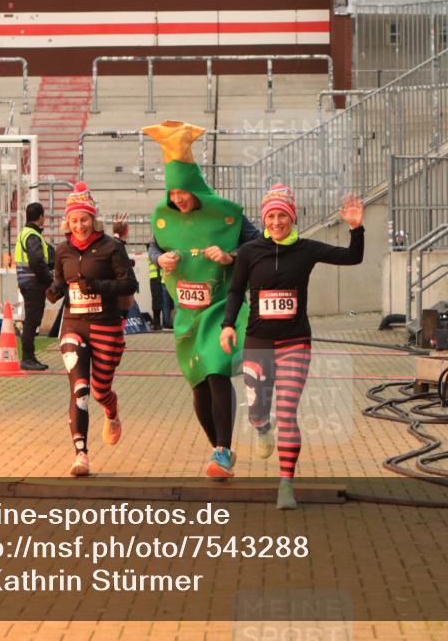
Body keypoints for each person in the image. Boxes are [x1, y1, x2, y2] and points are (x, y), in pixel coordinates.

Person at [220, 185, 364, 510]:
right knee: (257, 410)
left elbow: (353, 257)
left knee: (287, 412)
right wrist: (227, 325)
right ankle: (261, 428)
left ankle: (286, 483)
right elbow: (235, 291)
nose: (275, 221)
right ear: (264, 218)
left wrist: (356, 228)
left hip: (295, 342)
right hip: (258, 342)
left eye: (281, 215)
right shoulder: (249, 252)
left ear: (291, 217)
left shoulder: (306, 249)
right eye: (270, 215)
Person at [145, 120, 259, 480]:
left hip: (221, 308)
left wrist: (231, 256)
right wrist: (156, 258)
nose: (177, 200)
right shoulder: (163, 218)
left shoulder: (228, 214)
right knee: (197, 382)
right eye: (172, 194)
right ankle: (218, 448)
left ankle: (223, 449)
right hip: (187, 313)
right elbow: (153, 246)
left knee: (216, 371)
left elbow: (255, 247)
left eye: (182, 193)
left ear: (195, 188)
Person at [46, 184, 138, 476]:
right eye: (74, 220)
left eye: (84, 219)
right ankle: (81, 454)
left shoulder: (112, 247)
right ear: (67, 222)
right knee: (80, 389)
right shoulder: (63, 249)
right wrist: (54, 290)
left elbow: (129, 284)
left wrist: (98, 286)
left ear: (93, 219)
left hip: (105, 325)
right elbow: (61, 279)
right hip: (74, 325)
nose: (79, 225)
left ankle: (111, 410)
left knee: (99, 390)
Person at [14, 201, 53, 371]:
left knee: (31, 320)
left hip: (27, 282)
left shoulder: (25, 233)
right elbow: (37, 261)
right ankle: (28, 358)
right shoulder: (33, 236)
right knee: (32, 320)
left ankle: (28, 356)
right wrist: (50, 280)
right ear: (41, 217)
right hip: (33, 283)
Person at [146, 250, 165, 330]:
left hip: (157, 278)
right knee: (156, 301)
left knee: (158, 301)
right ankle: (156, 323)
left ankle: (157, 323)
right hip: (155, 279)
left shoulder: (154, 255)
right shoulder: (153, 255)